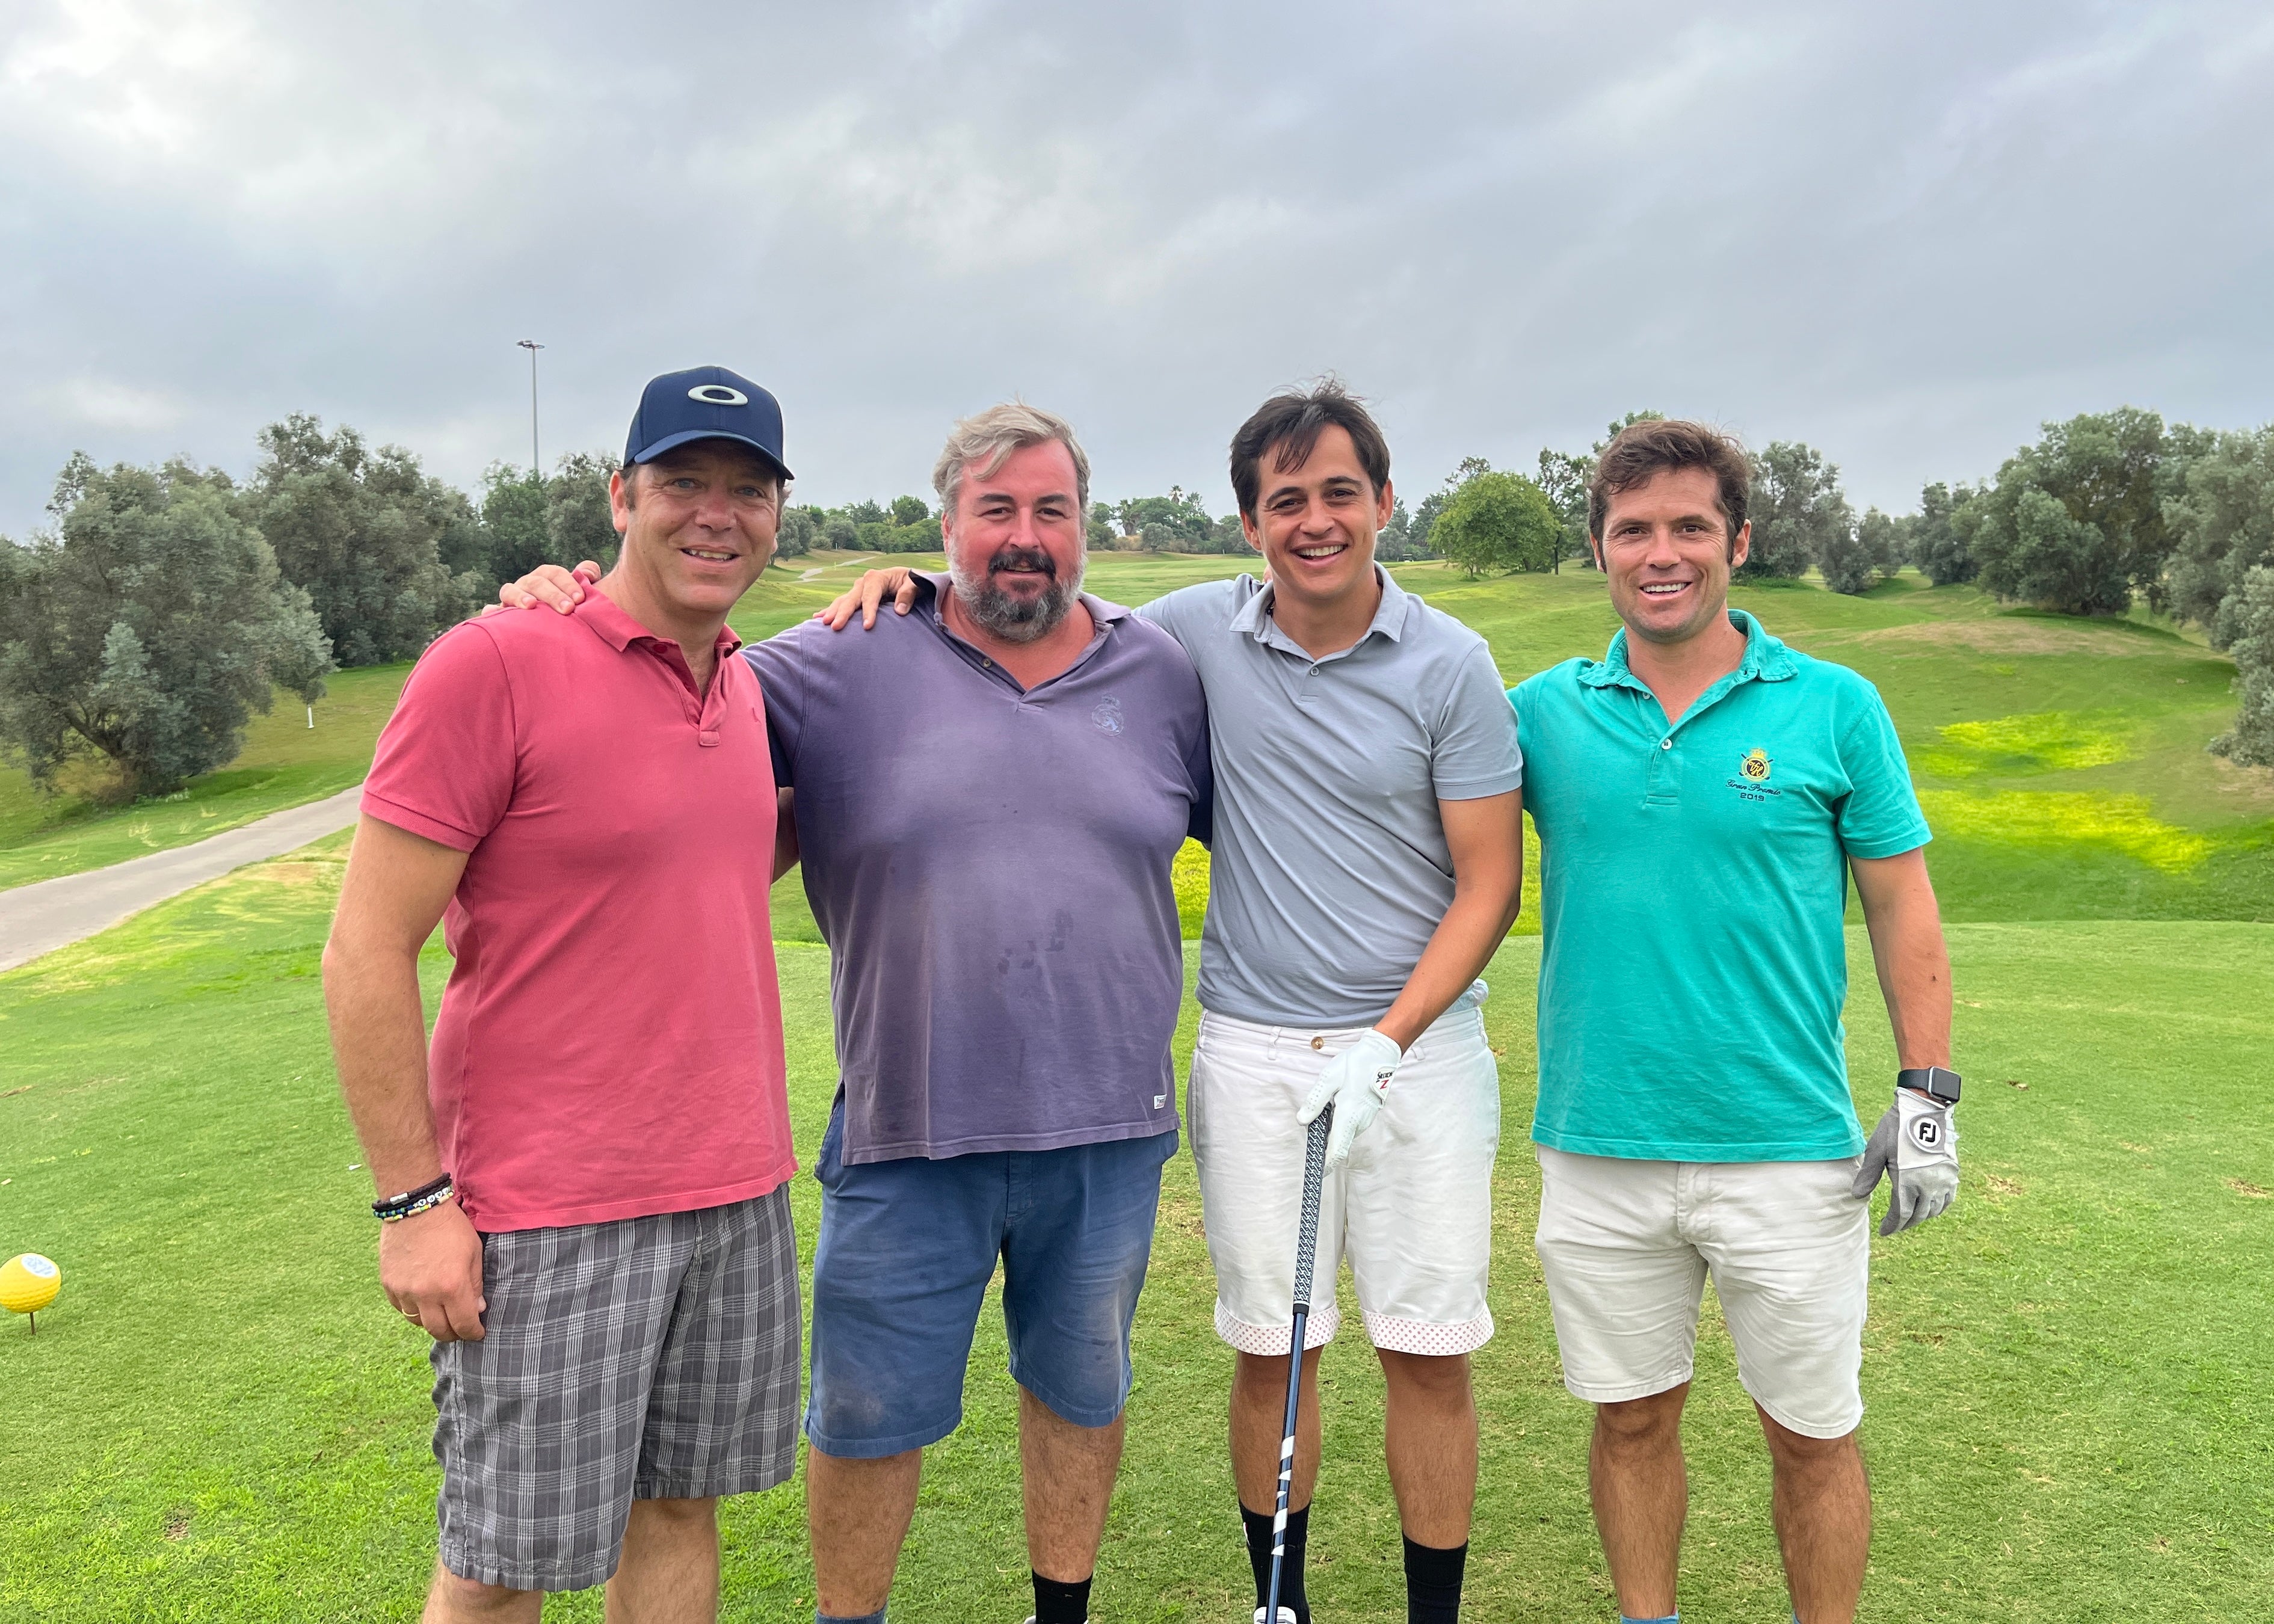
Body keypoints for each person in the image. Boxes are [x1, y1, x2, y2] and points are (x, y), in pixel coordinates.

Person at [494, 402, 1212, 1624]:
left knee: (1083, 1395)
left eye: (1051, 509)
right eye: (995, 511)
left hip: (1110, 1131)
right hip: (905, 1127)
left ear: (1086, 525)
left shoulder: (1163, 674)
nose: (1024, 536)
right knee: (869, 1418)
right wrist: (564, 609)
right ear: (948, 528)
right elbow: (660, 679)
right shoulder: (840, 655)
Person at [822, 381, 1524, 1624]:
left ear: (1385, 503)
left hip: (1414, 1053)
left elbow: (1490, 883)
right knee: (1275, 1346)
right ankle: (1283, 1604)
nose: (1315, 521)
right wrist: (914, 585)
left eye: (1339, 494)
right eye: (1285, 500)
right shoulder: (1192, 634)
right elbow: (1023, 606)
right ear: (1251, 521)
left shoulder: (1445, 663)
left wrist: (1389, 1039)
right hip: (1252, 1047)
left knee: (1426, 1346)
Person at [322, 366, 805, 1623]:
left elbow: (712, 863)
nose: (716, 514)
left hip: (735, 1185)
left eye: (746, 490)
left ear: (777, 515)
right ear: (621, 497)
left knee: (681, 1511)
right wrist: (415, 1204)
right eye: (683, 484)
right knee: (500, 1566)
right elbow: (367, 949)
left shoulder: (746, 685)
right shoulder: (494, 662)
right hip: (548, 1208)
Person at [1508, 419, 1961, 1624]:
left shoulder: (1835, 705)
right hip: (1597, 1143)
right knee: (1632, 1418)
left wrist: (1929, 1096)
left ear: (1737, 541)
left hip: (1791, 1152)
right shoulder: (1541, 713)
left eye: (1690, 527)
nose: (1664, 552)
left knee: (1813, 1434)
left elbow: (1900, 900)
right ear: (1601, 548)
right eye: (1634, 529)